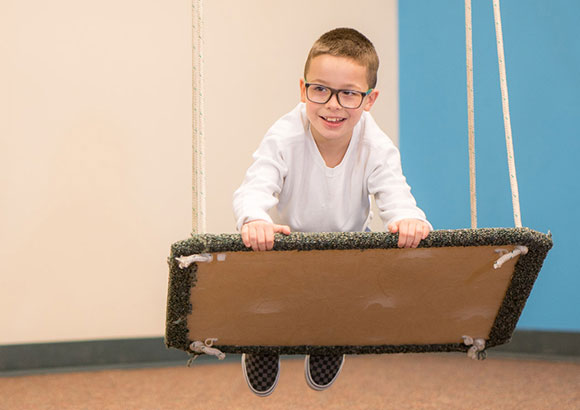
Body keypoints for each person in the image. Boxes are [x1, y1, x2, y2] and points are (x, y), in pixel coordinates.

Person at [233, 27, 431, 397]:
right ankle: (263, 339)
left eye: (349, 94)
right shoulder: (285, 135)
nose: (333, 105)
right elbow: (255, 186)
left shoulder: (376, 144)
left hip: (345, 247)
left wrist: (407, 218)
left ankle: (329, 335)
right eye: (320, 89)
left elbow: (395, 192)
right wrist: (255, 218)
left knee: (349, 281)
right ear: (302, 89)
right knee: (263, 266)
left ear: (369, 100)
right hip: (288, 246)